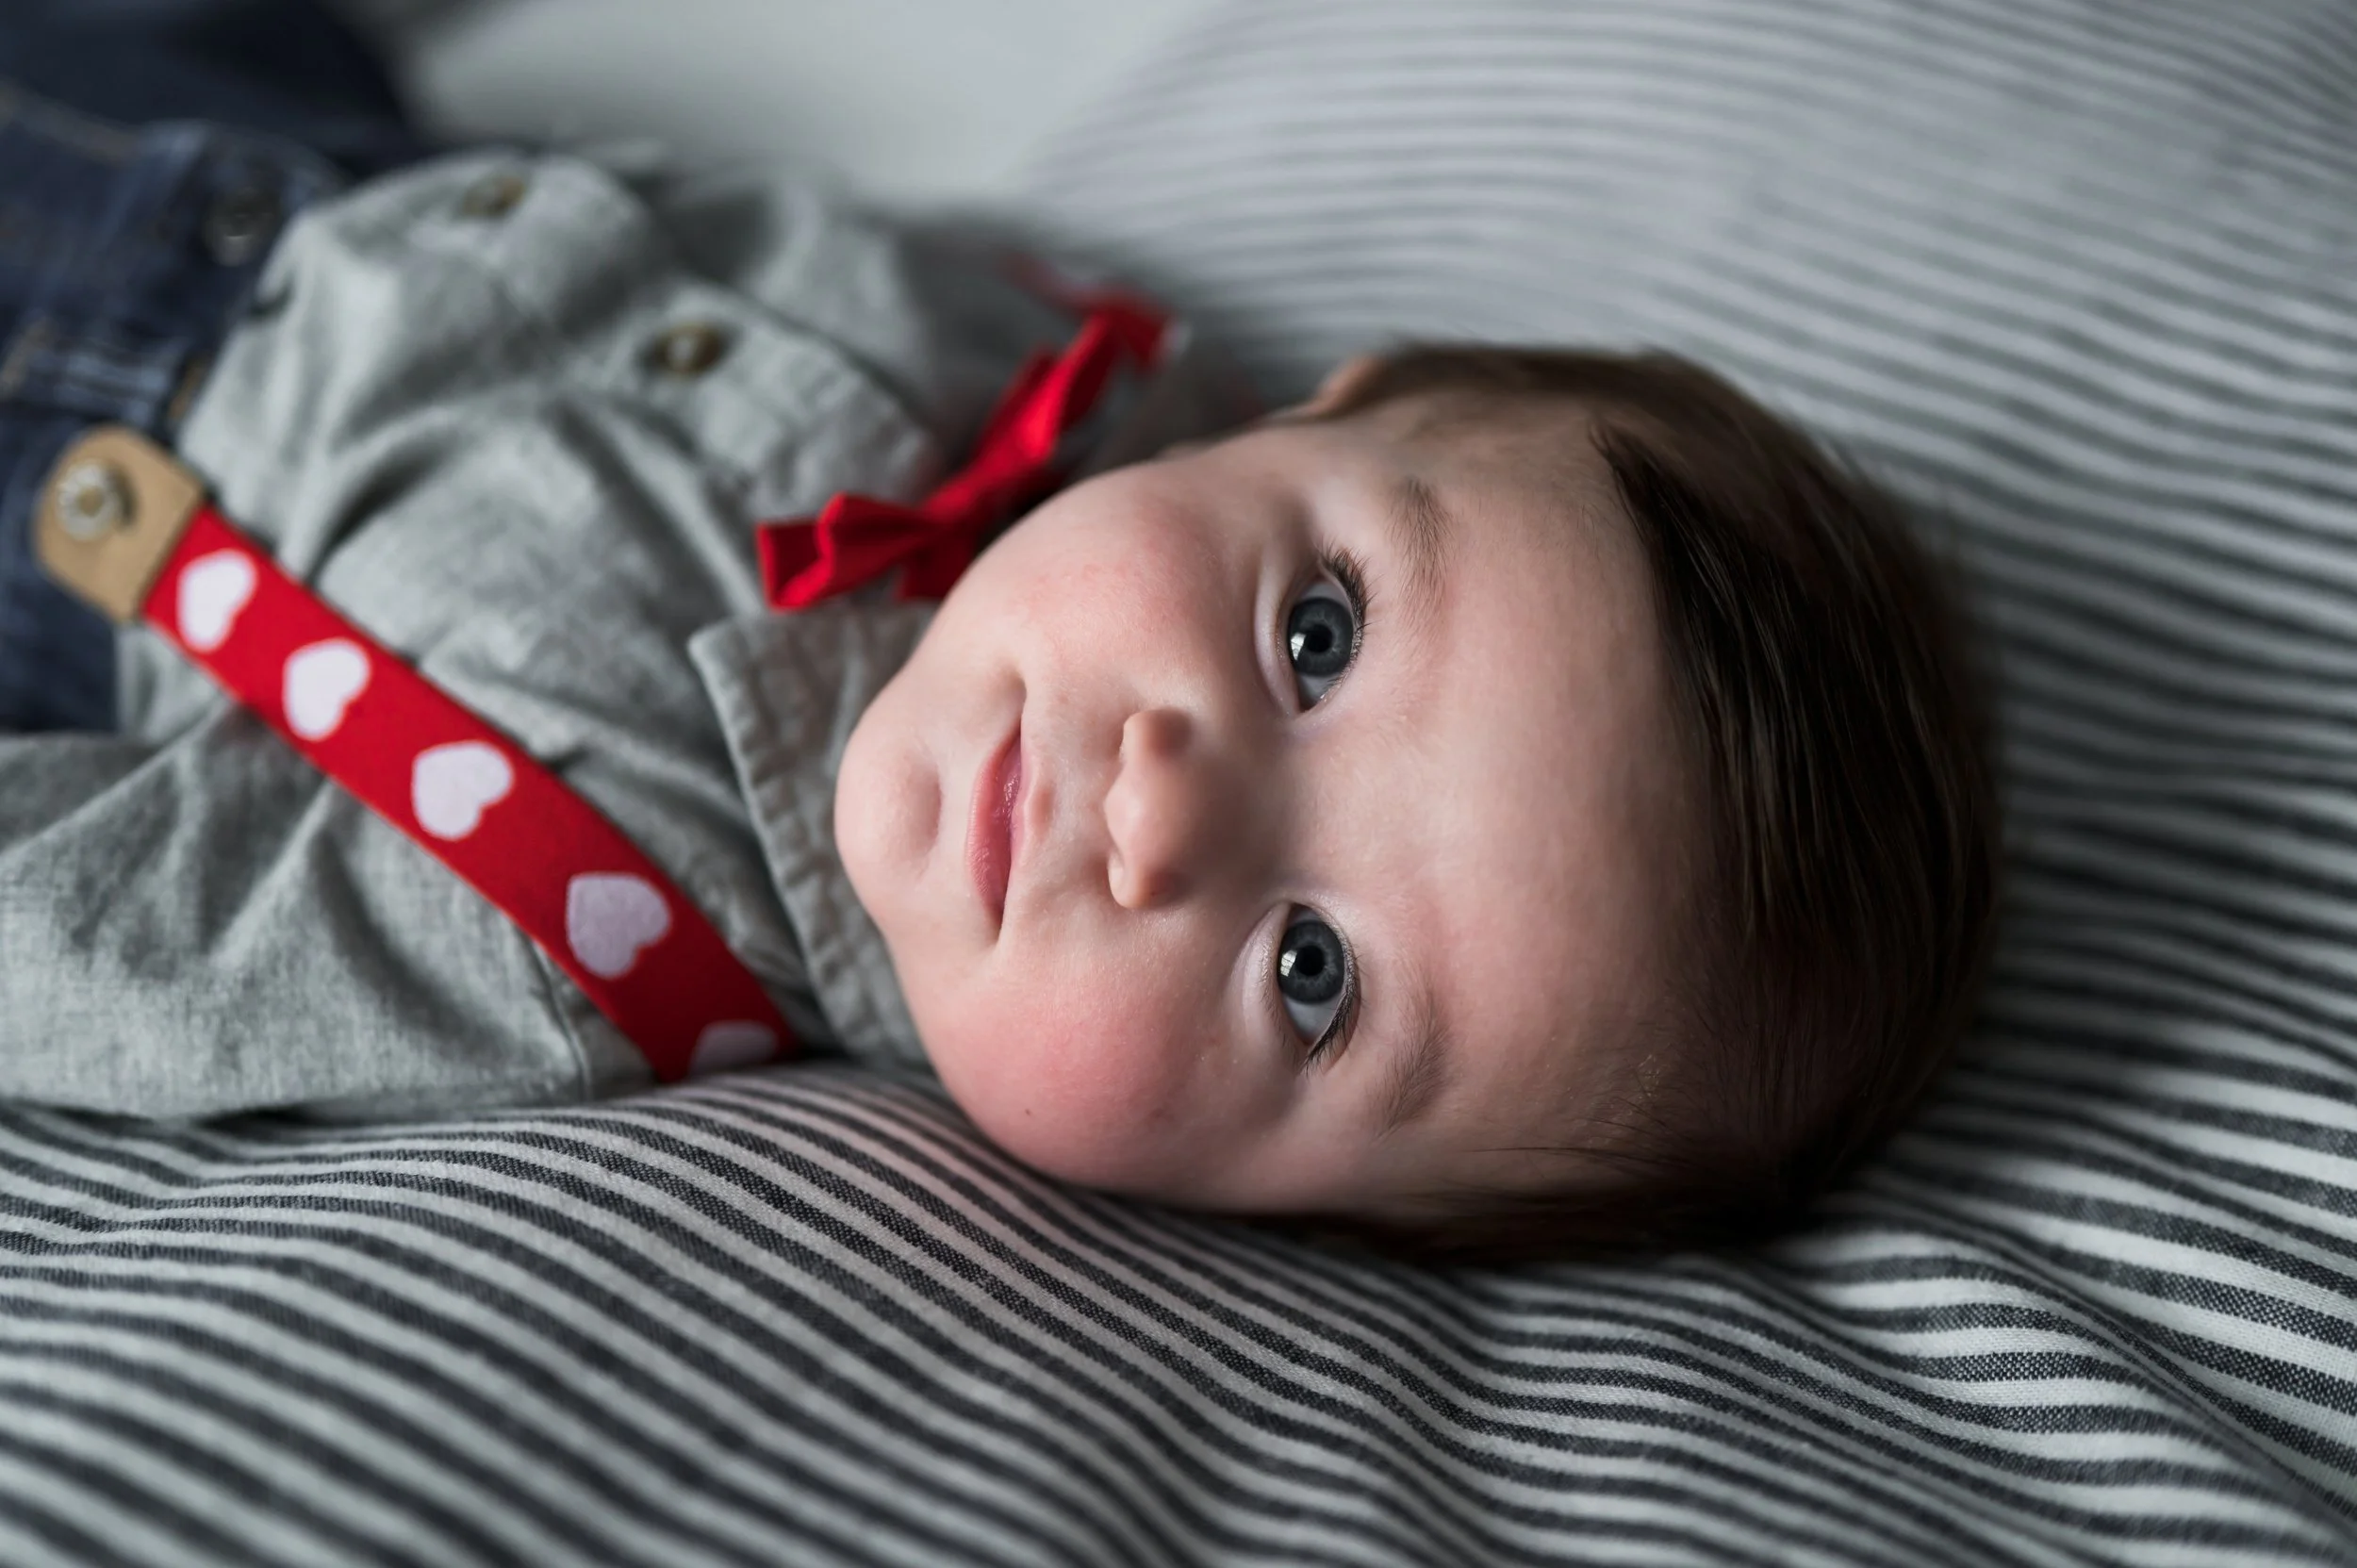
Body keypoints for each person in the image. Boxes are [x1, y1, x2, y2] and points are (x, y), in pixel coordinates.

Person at [0, 1, 2000, 1261]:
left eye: (1311, 979)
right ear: (1317, 413)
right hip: (269, 111)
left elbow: (72, 919)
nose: (1153, 817)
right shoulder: (1088, 374)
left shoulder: (569, 930)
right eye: (1315, 639)